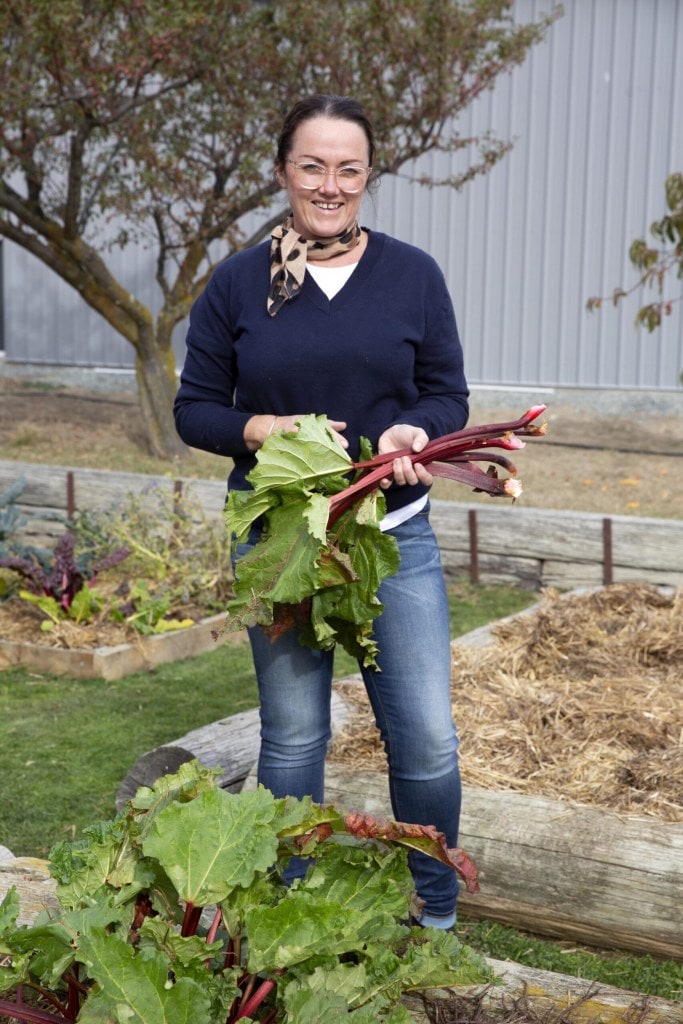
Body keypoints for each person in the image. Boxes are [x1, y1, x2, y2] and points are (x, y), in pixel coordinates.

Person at [174, 94, 470, 930]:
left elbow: (446, 393)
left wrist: (420, 427)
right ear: (282, 172)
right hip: (284, 548)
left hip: (393, 538)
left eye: (348, 168)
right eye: (312, 165)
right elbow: (195, 410)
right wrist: (259, 428)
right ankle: (285, 913)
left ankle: (432, 912)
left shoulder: (412, 275)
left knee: (425, 740)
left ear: (367, 176)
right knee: (295, 739)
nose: (329, 184)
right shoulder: (237, 282)